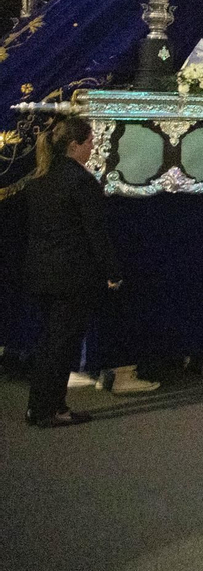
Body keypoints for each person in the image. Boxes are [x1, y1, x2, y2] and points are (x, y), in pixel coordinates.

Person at [22, 117, 120, 427]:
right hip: (73, 276)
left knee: (48, 343)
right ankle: (52, 409)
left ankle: (39, 407)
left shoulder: (40, 179)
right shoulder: (81, 182)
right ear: (74, 145)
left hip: (42, 272)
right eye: (90, 141)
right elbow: (96, 233)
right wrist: (112, 271)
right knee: (62, 347)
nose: (93, 147)